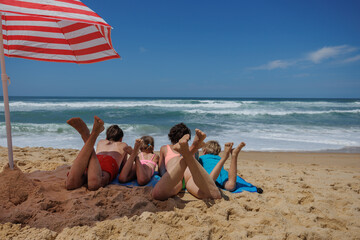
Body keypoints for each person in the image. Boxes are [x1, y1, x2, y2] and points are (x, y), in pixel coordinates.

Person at [152, 123, 221, 200]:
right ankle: (191, 150)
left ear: (171, 136)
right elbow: (195, 169)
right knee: (214, 195)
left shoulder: (165, 148)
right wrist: (193, 150)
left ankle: (188, 152)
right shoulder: (193, 150)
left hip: (174, 174)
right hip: (189, 174)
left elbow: (162, 169)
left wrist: (166, 179)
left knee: (158, 194)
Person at [65, 116, 129, 191]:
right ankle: (90, 135)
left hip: (95, 160)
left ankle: (87, 136)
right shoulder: (123, 145)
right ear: (121, 139)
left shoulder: (101, 142)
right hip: (109, 162)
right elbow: (124, 167)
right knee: (94, 185)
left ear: (106, 138)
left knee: (70, 184)